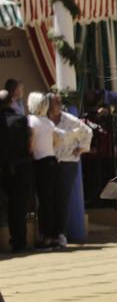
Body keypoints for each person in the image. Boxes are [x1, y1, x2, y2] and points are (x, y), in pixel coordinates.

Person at [47, 94, 92, 247]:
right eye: (54, 102)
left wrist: (80, 149)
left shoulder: (69, 120)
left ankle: (61, 234)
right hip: (51, 162)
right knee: (50, 199)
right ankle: (51, 234)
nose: (57, 105)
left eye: (58, 102)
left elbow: (87, 132)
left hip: (67, 163)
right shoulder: (46, 120)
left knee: (62, 199)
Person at [26, 92, 64, 249]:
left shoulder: (31, 121)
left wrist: (30, 152)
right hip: (52, 160)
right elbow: (58, 140)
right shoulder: (48, 122)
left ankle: (45, 237)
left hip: (40, 162)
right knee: (53, 200)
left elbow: (32, 144)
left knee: (43, 201)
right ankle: (55, 236)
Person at [0, 88, 33, 252]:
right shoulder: (20, 119)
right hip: (21, 168)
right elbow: (28, 143)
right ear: (11, 101)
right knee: (19, 208)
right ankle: (20, 241)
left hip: (4, 169)